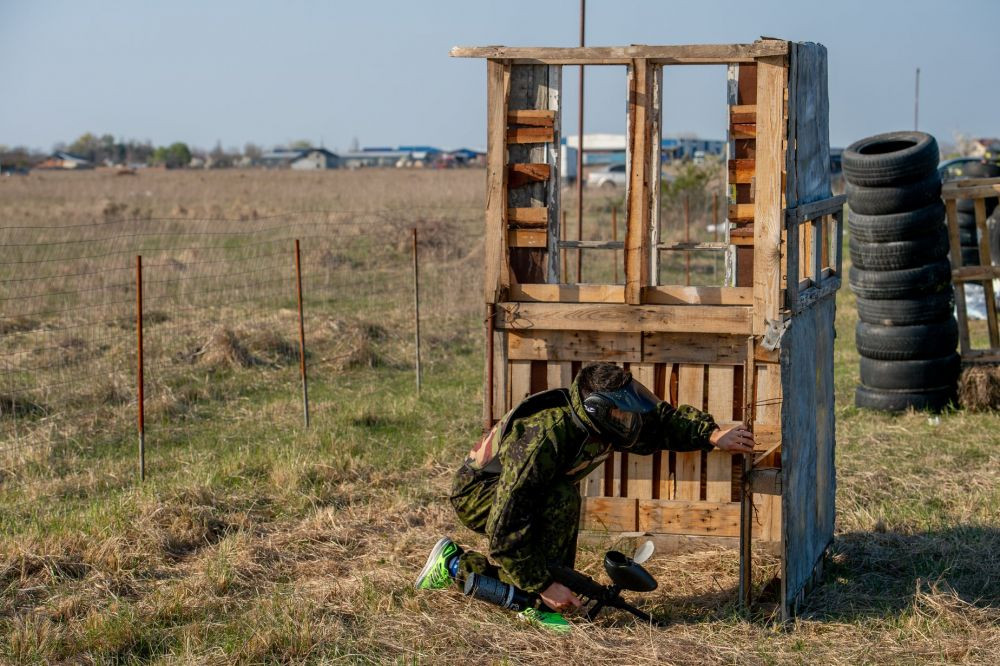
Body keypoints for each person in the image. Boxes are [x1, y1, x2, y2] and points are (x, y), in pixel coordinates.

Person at [414, 362, 755, 629]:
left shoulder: (605, 421)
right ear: (597, 409)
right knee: (558, 506)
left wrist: (711, 434)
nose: (629, 421)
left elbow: (658, 423)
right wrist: (543, 584)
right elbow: (507, 524)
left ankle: (537, 594)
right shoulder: (544, 436)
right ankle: (454, 565)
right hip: (479, 495)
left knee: (559, 506)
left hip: (526, 494)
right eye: (621, 414)